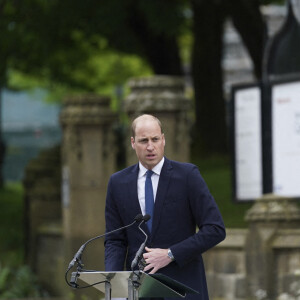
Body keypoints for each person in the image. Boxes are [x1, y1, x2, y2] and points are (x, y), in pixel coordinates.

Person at [104, 114, 226, 300]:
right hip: (139, 290)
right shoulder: (117, 183)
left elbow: (215, 229)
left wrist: (171, 254)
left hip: (183, 288)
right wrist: (113, 286)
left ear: (164, 139)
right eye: (143, 141)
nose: (150, 147)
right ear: (132, 143)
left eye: (155, 139)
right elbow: (115, 240)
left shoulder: (187, 176)